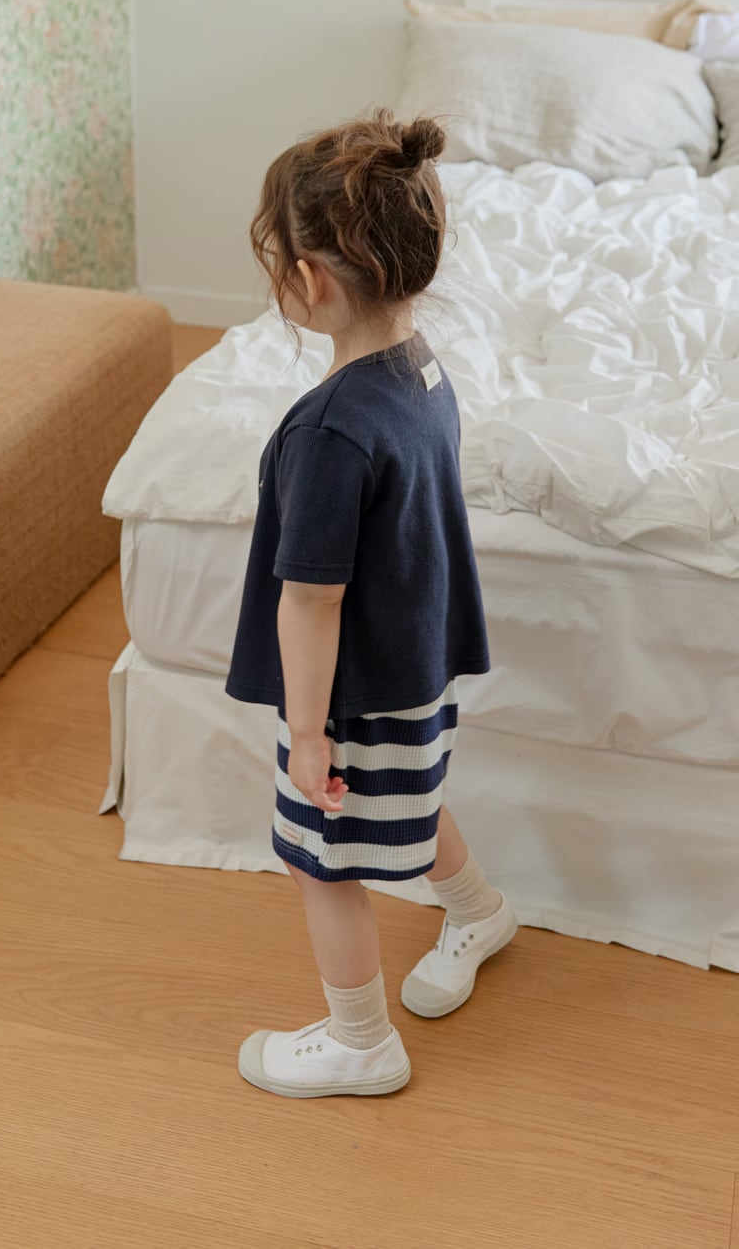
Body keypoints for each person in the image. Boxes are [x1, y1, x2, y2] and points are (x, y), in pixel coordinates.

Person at [226, 108, 518, 1099]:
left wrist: (309, 736)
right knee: (412, 793)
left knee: (324, 861)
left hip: (352, 694)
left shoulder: (330, 434)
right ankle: (478, 909)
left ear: (310, 280)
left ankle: (362, 1043)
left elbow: (311, 602)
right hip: (415, 659)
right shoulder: (420, 368)